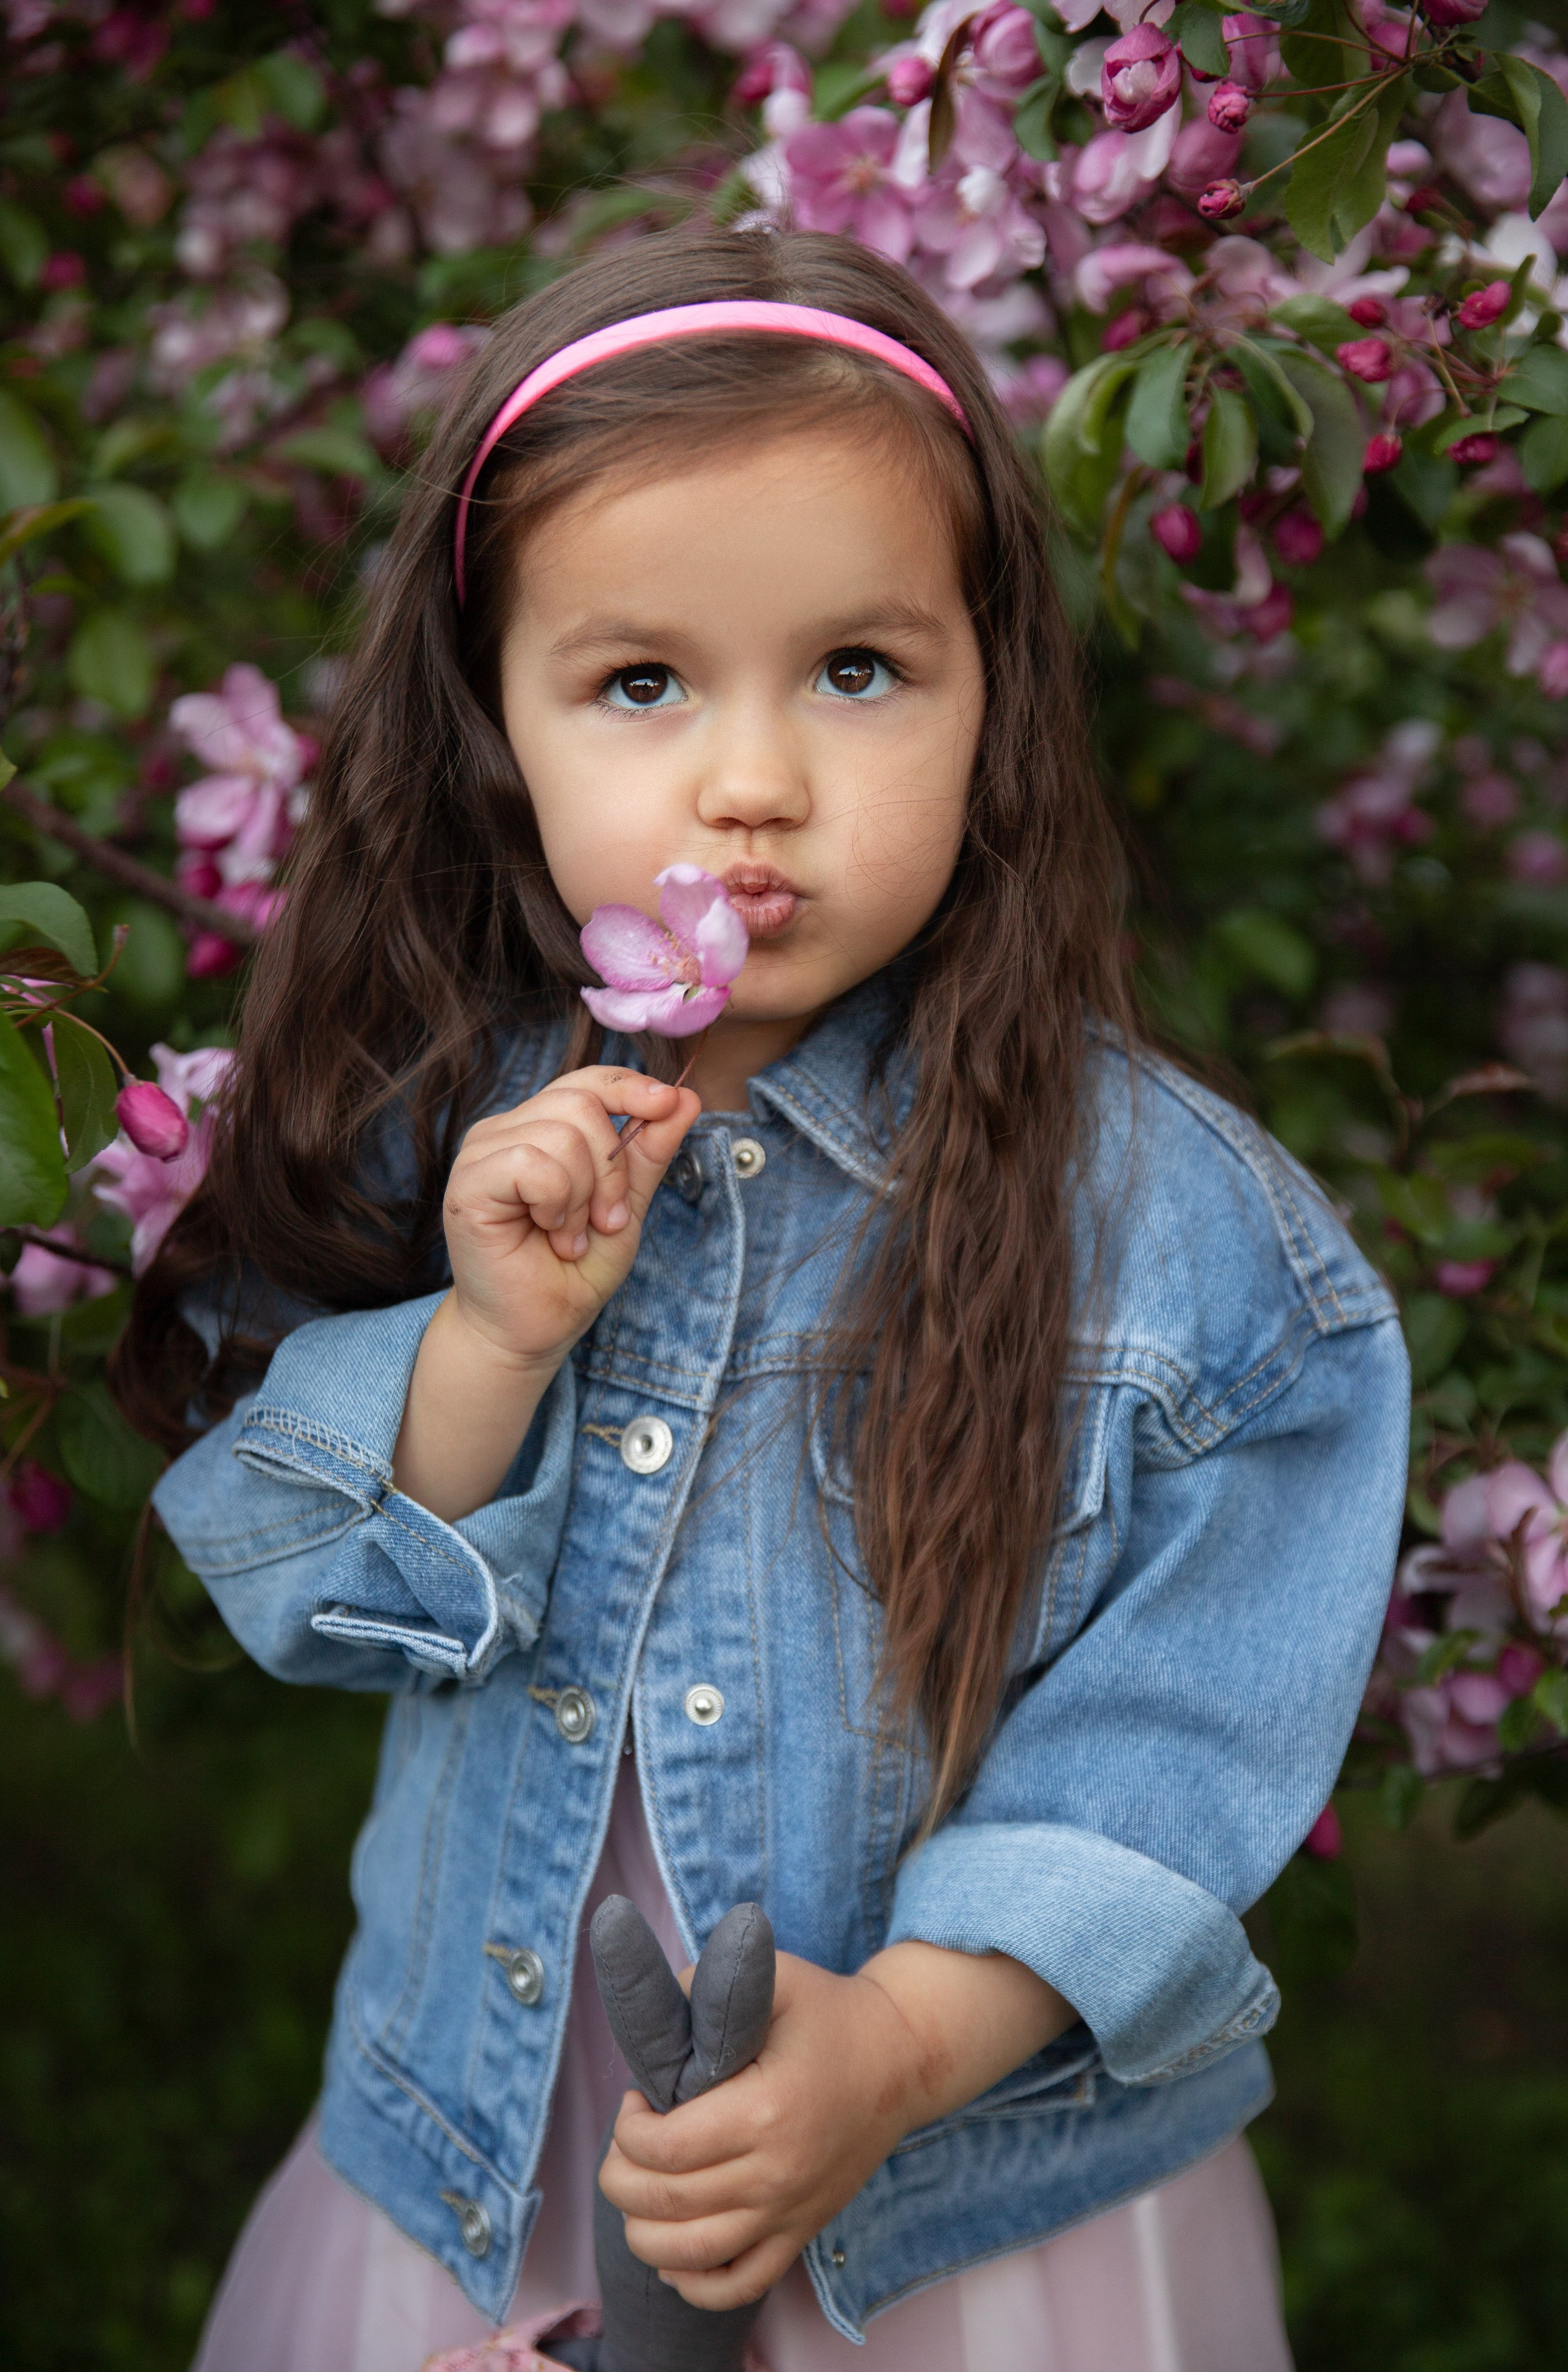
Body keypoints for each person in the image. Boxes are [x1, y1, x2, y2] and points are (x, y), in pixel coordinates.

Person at [127, 222, 1411, 2372]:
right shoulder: (432, 1132)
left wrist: (897, 2048)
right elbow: (302, 1601)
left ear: (992, 699)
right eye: (642, 683)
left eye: (859, 670)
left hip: (959, 2222)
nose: (753, 785)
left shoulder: (1179, 1239)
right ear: (498, 731)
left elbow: (1182, 1746)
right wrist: (488, 1345)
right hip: (492, 2162)